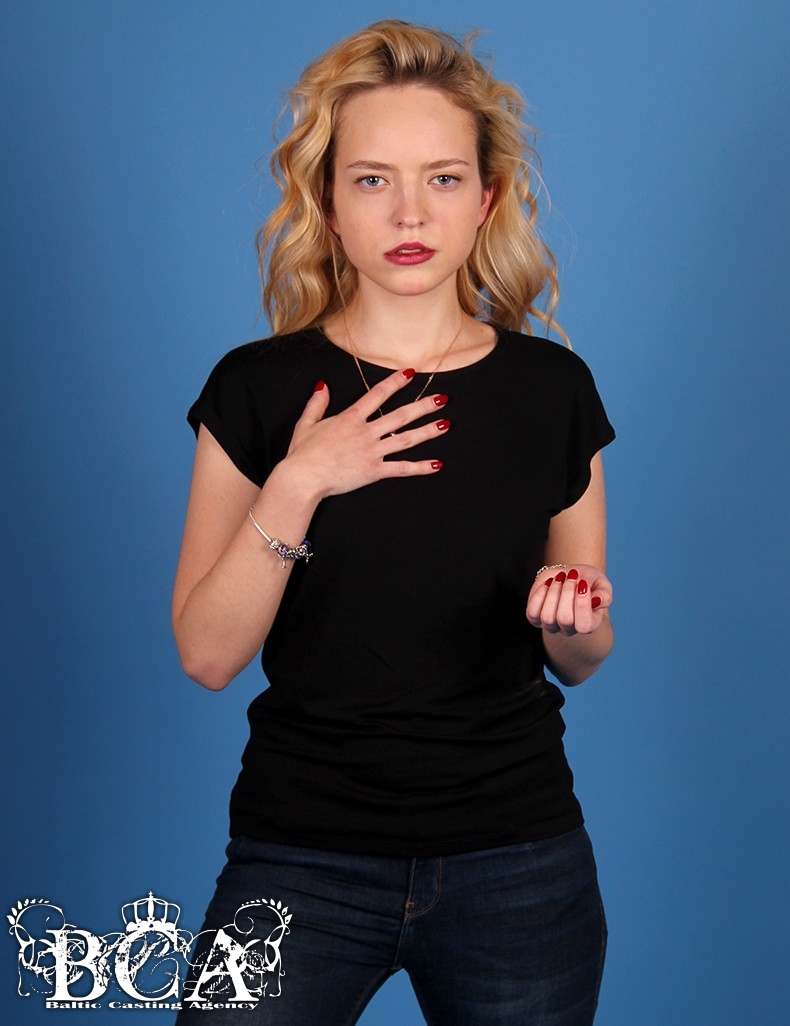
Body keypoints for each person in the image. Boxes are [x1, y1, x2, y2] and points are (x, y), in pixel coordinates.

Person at [173, 19, 615, 1026]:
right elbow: (206, 655)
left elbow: (584, 657)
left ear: (486, 198)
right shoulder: (256, 389)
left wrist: (573, 619)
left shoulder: (552, 390)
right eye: (372, 180)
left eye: (442, 179)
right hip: (299, 857)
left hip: (519, 862)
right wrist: (299, 481)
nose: (409, 211)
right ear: (328, 204)